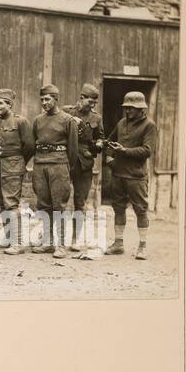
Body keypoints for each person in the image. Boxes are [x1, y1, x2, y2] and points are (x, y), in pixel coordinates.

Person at [103, 91, 158, 260]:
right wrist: (109, 158)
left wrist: (125, 151)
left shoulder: (149, 125)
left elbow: (147, 151)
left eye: (131, 109)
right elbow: (109, 141)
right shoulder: (121, 123)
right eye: (126, 108)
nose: (128, 112)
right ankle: (118, 243)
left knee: (141, 210)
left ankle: (142, 246)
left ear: (142, 109)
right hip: (118, 174)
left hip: (136, 176)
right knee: (118, 208)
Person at [29, 84, 80, 258]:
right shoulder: (38, 120)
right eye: (42, 99)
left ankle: (61, 245)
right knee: (43, 204)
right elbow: (33, 142)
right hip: (40, 163)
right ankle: (48, 242)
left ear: (56, 99)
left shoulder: (68, 120)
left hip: (59, 165)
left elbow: (73, 150)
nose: (44, 102)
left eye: (48, 99)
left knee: (59, 205)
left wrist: (67, 168)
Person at [0, 88, 34, 252]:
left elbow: (29, 146)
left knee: (11, 203)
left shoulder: (20, 121)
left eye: (1, 103)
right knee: (2, 202)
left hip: (13, 166)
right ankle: (8, 238)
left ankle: (18, 242)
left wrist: (19, 162)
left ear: (9, 104)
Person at [64, 82, 105, 252]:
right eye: (90, 101)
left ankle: (75, 239)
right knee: (59, 200)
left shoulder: (97, 118)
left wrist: (100, 144)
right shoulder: (66, 112)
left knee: (80, 202)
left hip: (85, 164)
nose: (93, 105)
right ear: (81, 98)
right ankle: (55, 239)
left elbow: (100, 138)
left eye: (95, 102)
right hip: (65, 161)